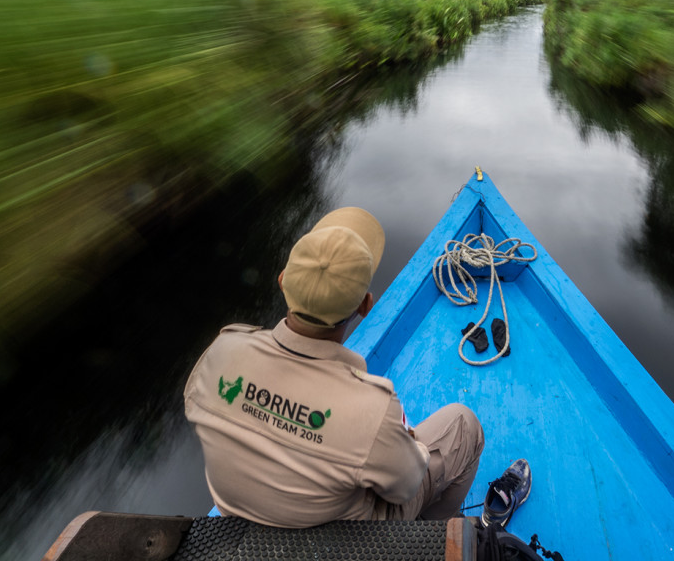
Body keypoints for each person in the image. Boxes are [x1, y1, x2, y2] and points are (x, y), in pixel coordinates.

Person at [183, 206, 486, 528]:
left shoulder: (220, 352)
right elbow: (406, 486)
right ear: (365, 306)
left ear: (283, 281)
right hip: (340, 537)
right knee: (464, 425)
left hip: (242, 517)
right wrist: (408, 442)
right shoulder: (372, 408)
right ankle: (434, 532)